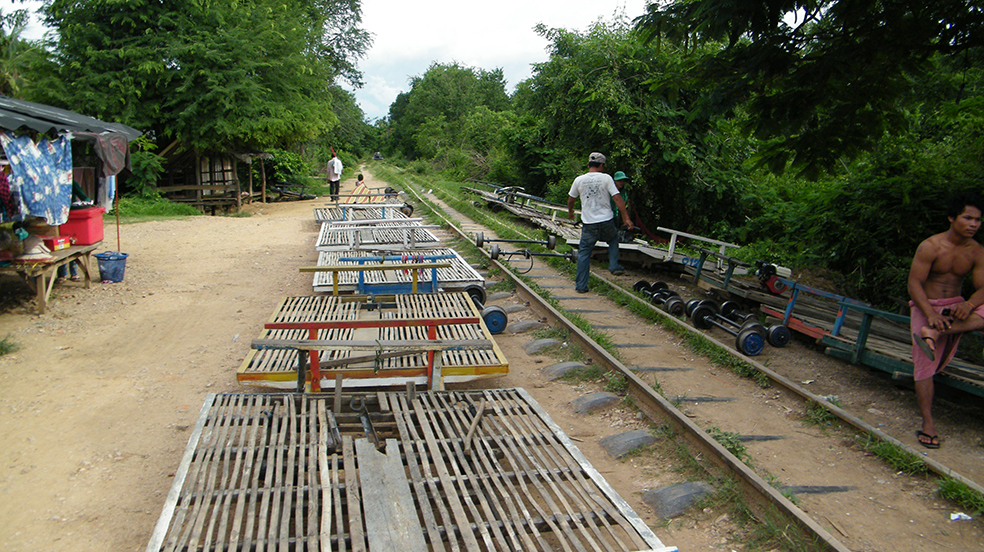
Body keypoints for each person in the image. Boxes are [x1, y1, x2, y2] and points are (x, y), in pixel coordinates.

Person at [907, 191, 984, 449]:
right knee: (924, 364)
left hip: (955, 310)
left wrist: (969, 303)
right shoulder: (931, 246)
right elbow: (914, 283)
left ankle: (938, 332)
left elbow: (983, 287)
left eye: (978, 220)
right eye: (968, 218)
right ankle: (928, 423)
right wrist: (930, 313)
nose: (973, 224)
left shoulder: (977, 251)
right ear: (952, 218)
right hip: (926, 306)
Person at [567, 152, 633, 293]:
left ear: (588, 165)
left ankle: (581, 286)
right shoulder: (606, 178)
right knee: (613, 239)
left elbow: (571, 199)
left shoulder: (579, 180)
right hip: (606, 221)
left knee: (584, 253)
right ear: (601, 165)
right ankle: (614, 266)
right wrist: (626, 218)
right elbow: (617, 199)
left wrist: (570, 212)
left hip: (589, 223)